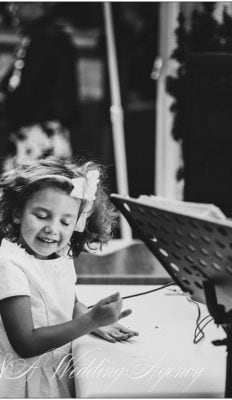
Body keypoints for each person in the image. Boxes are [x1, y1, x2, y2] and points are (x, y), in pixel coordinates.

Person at [0, 157, 138, 397]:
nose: (53, 228)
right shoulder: (9, 264)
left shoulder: (61, 256)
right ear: (17, 213)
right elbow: (25, 343)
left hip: (55, 369)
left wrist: (97, 322)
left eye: (65, 221)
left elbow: (70, 303)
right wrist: (90, 322)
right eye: (42, 215)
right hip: (24, 381)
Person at [0, 3, 79, 165]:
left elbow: (22, 87)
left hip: (36, 133)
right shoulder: (51, 35)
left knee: (30, 185)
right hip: (48, 131)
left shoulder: (41, 37)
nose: (12, 8)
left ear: (38, 4)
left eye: (17, 3)